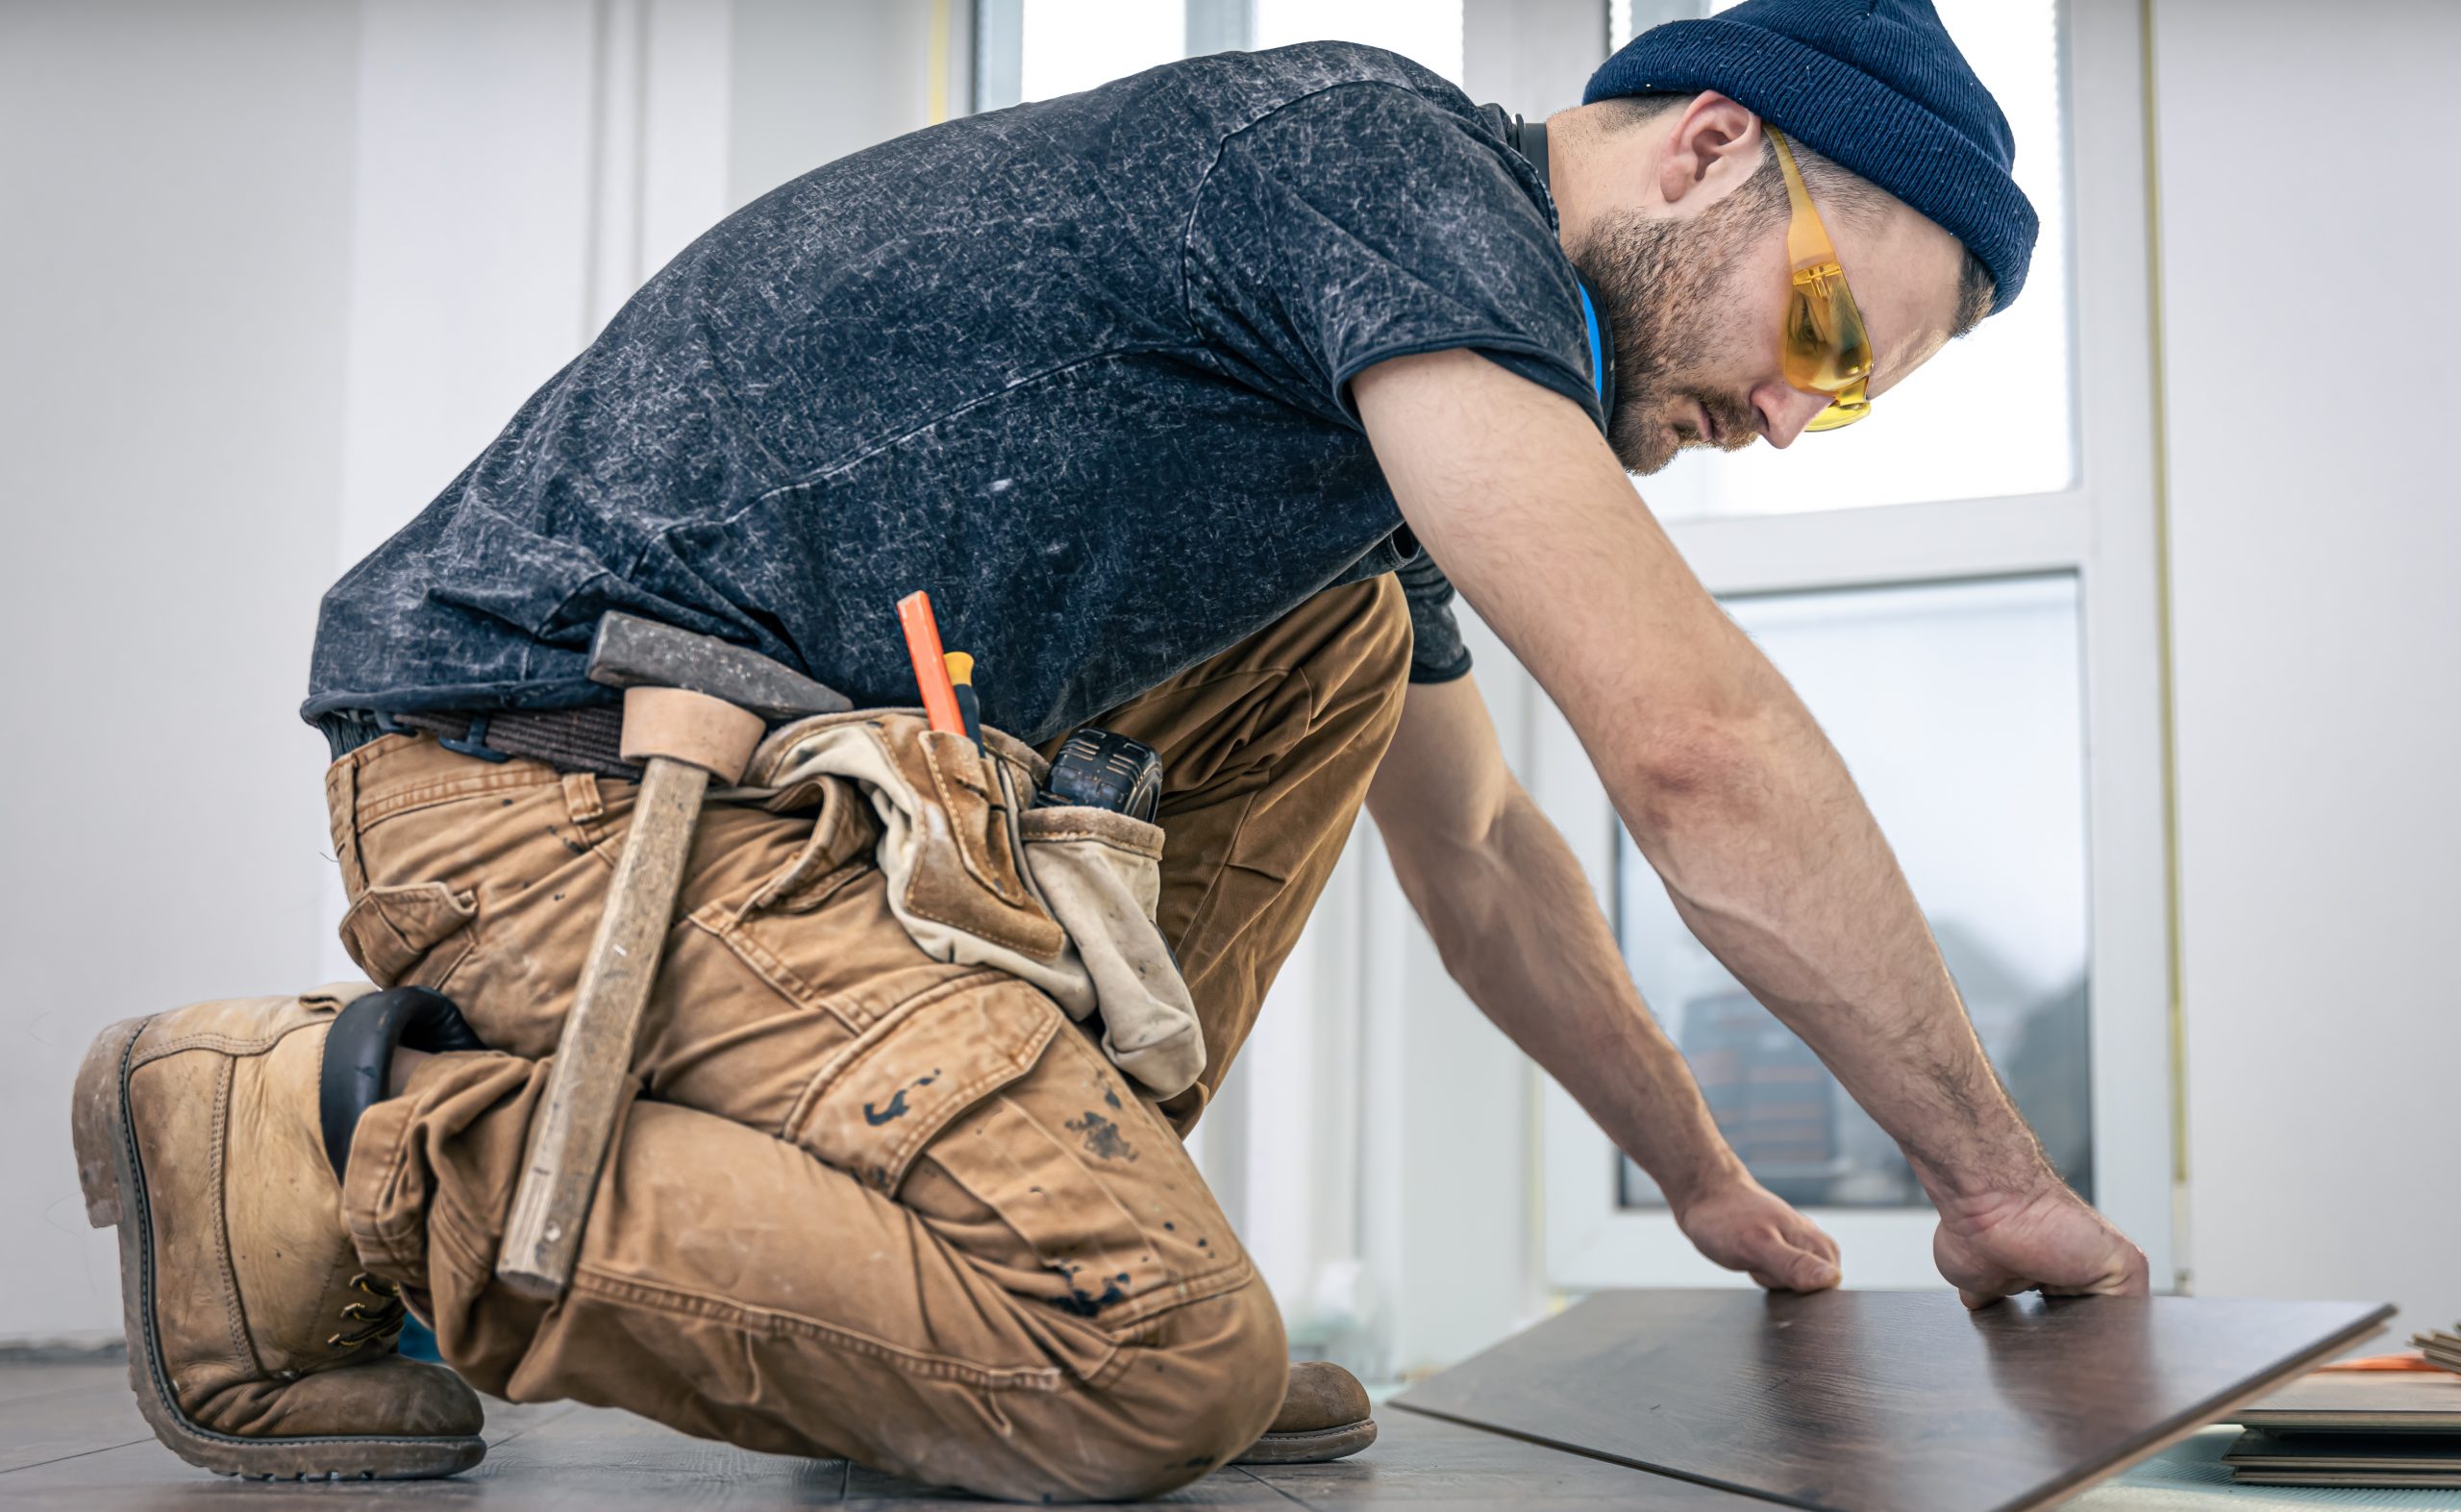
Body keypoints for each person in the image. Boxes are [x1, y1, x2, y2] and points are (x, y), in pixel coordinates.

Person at [71, 0, 2148, 1500]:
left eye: (1842, 405)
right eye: (1811, 338)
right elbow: (1688, 748)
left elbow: (1489, 853)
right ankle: (311, 1142)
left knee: (1337, 642)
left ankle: (994, 1284)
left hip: (754, 814)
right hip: (546, 781)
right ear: (1700, 146)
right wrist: (1992, 1180)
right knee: (1146, 1363)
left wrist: (1709, 1186)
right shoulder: (1375, 171)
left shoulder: (1370, 420)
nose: (1785, 421)